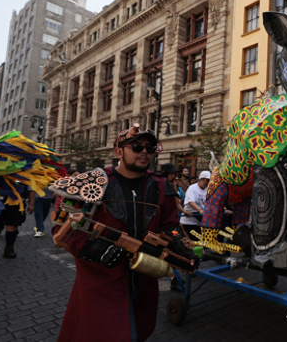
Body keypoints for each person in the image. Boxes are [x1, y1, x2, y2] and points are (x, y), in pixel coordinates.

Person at [55, 123, 194, 342]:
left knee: (138, 330)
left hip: (144, 278)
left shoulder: (160, 186)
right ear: (118, 151)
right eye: (137, 147)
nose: (145, 152)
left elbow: (171, 226)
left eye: (150, 148)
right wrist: (96, 249)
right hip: (101, 280)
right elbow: (62, 224)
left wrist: (184, 248)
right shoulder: (94, 181)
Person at [0, 182, 35, 258]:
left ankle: (9, 249)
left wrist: (32, 204)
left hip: (17, 203)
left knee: (12, 225)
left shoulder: (25, 173)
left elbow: (31, 189)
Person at [182, 170, 211, 240]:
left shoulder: (208, 189)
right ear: (201, 179)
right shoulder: (192, 188)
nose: (208, 183)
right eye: (207, 180)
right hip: (190, 221)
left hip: (201, 221)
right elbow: (191, 202)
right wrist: (200, 210)